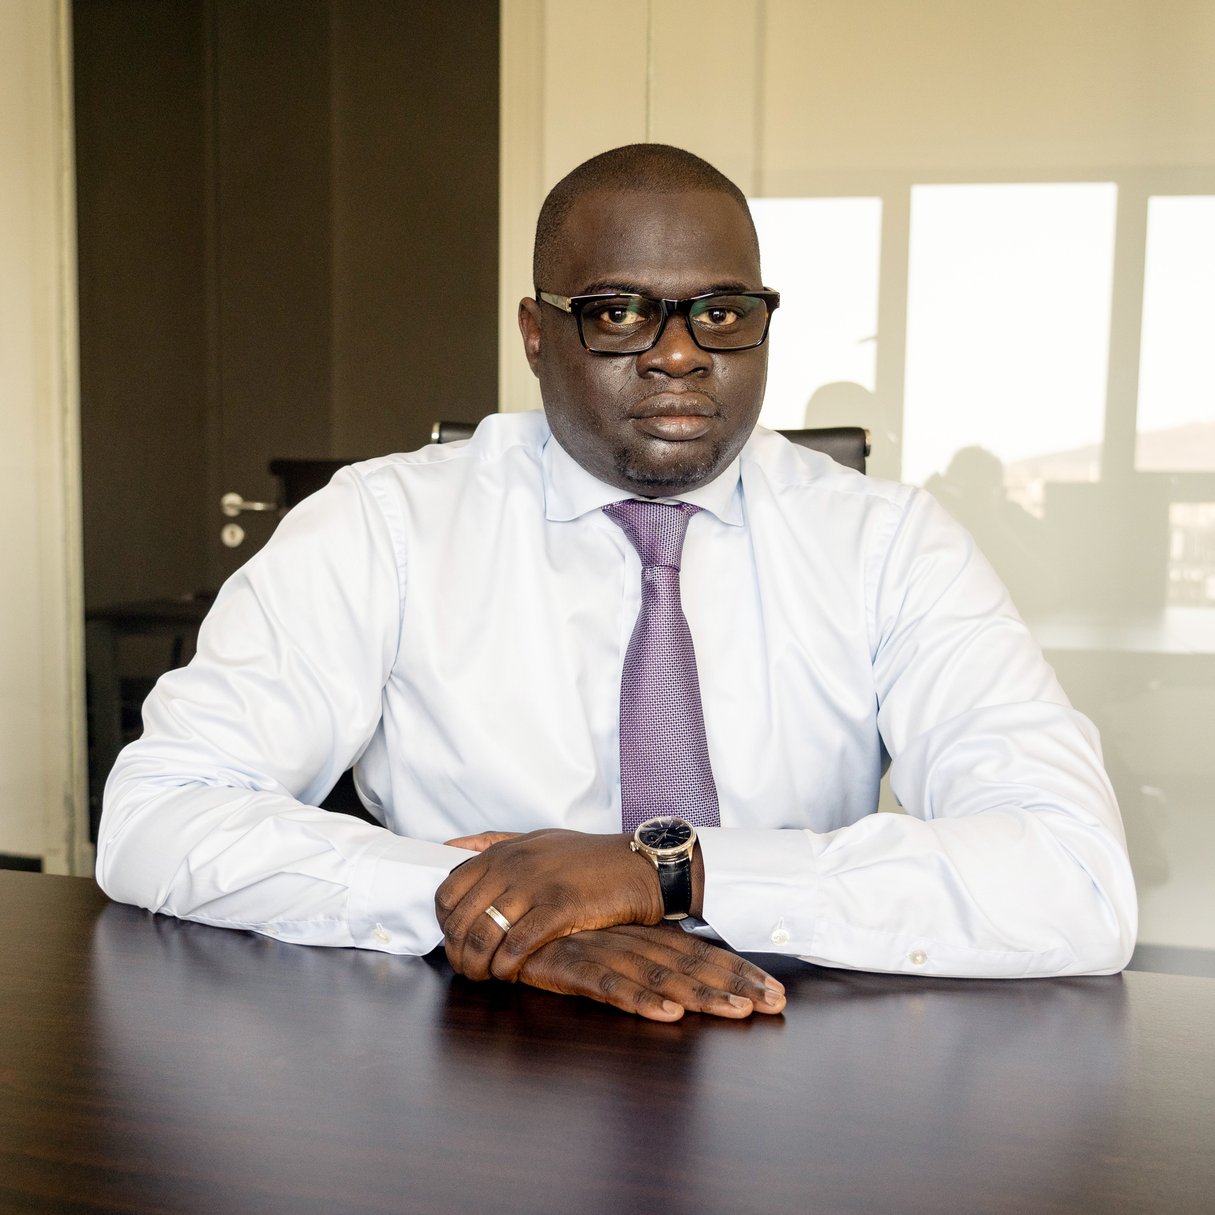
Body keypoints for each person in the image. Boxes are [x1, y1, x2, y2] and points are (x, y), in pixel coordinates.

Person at [98, 144, 1136, 1021]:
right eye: (619, 314)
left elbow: (1074, 881)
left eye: (721, 313)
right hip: (476, 1055)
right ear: (537, 335)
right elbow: (158, 815)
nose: (679, 355)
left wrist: (663, 871)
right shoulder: (384, 527)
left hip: (798, 1059)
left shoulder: (892, 544)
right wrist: (498, 911)